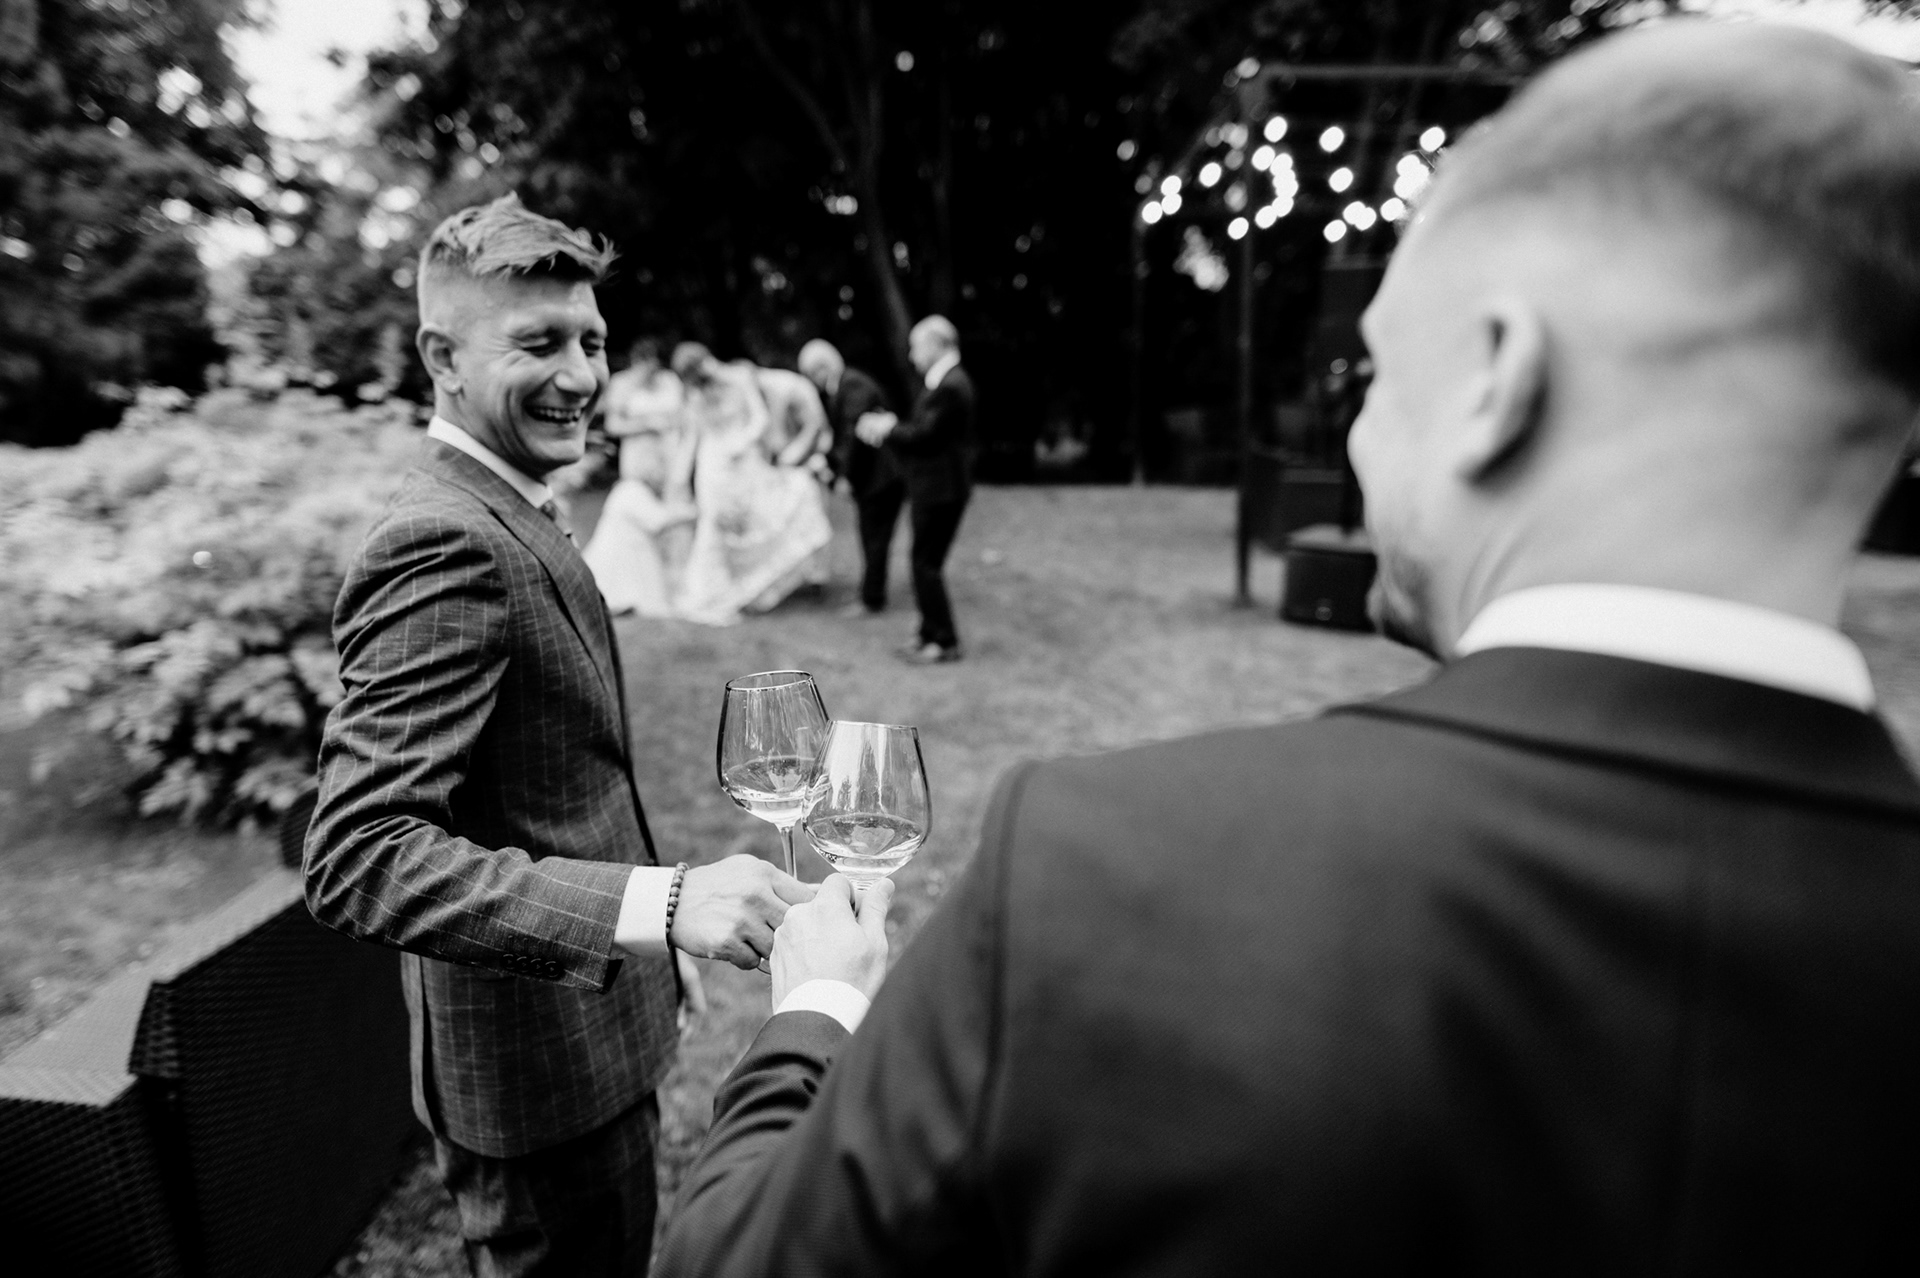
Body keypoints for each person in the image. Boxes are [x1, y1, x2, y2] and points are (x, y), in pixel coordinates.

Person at [657, 24, 1920, 1274]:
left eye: (1378, 376)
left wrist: (815, 1010)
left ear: (1497, 378)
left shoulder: (1111, 864)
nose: (1360, 440)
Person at [303, 195, 813, 1278]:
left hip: (594, 1032)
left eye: (592, 341)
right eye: (538, 343)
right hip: (534, 1084)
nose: (581, 375)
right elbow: (359, 855)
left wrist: (649, 952)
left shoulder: (510, 501)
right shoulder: (440, 540)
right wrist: (663, 905)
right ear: (442, 357)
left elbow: (562, 778)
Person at [672, 343, 834, 626]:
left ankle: (751, 588)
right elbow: (693, 436)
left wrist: (741, 443)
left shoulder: (739, 377)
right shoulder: (696, 394)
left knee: (758, 521)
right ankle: (711, 592)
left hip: (744, 461)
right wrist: (679, 476)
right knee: (715, 526)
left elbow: (760, 419)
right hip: (713, 466)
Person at [857, 315, 976, 663]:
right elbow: (927, 429)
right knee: (923, 562)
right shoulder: (947, 381)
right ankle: (928, 633)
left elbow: (926, 437)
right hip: (938, 487)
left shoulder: (951, 385)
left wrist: (887, 428)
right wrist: (893, 426)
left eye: (915, 347)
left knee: (926, 564)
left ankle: (944, 641)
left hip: (941, 489)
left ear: (936, 345)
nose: (912, 356)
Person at [581, 338, 698, 617]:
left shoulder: (669, 382)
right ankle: (645, 581)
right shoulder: (622, 384)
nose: (650, 372)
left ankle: (679, 585)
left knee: (672, 523)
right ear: (636, 363)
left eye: (654, 366)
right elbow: (613, 425)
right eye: (645, 366)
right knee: (646, 515)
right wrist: (647, 425)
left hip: (670, 454)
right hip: (639, 455)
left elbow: (684, 417)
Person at [798, 338, 902, 618]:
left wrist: (845, 476)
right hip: (874, 477)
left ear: (822, 368)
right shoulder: (845, 385)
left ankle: (872, 599)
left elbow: (854, 436)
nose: (812, 383)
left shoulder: (852, 384)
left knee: (874, 538)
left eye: (811, 375)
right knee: (870, 536)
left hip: (881, 477)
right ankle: (869, 592)